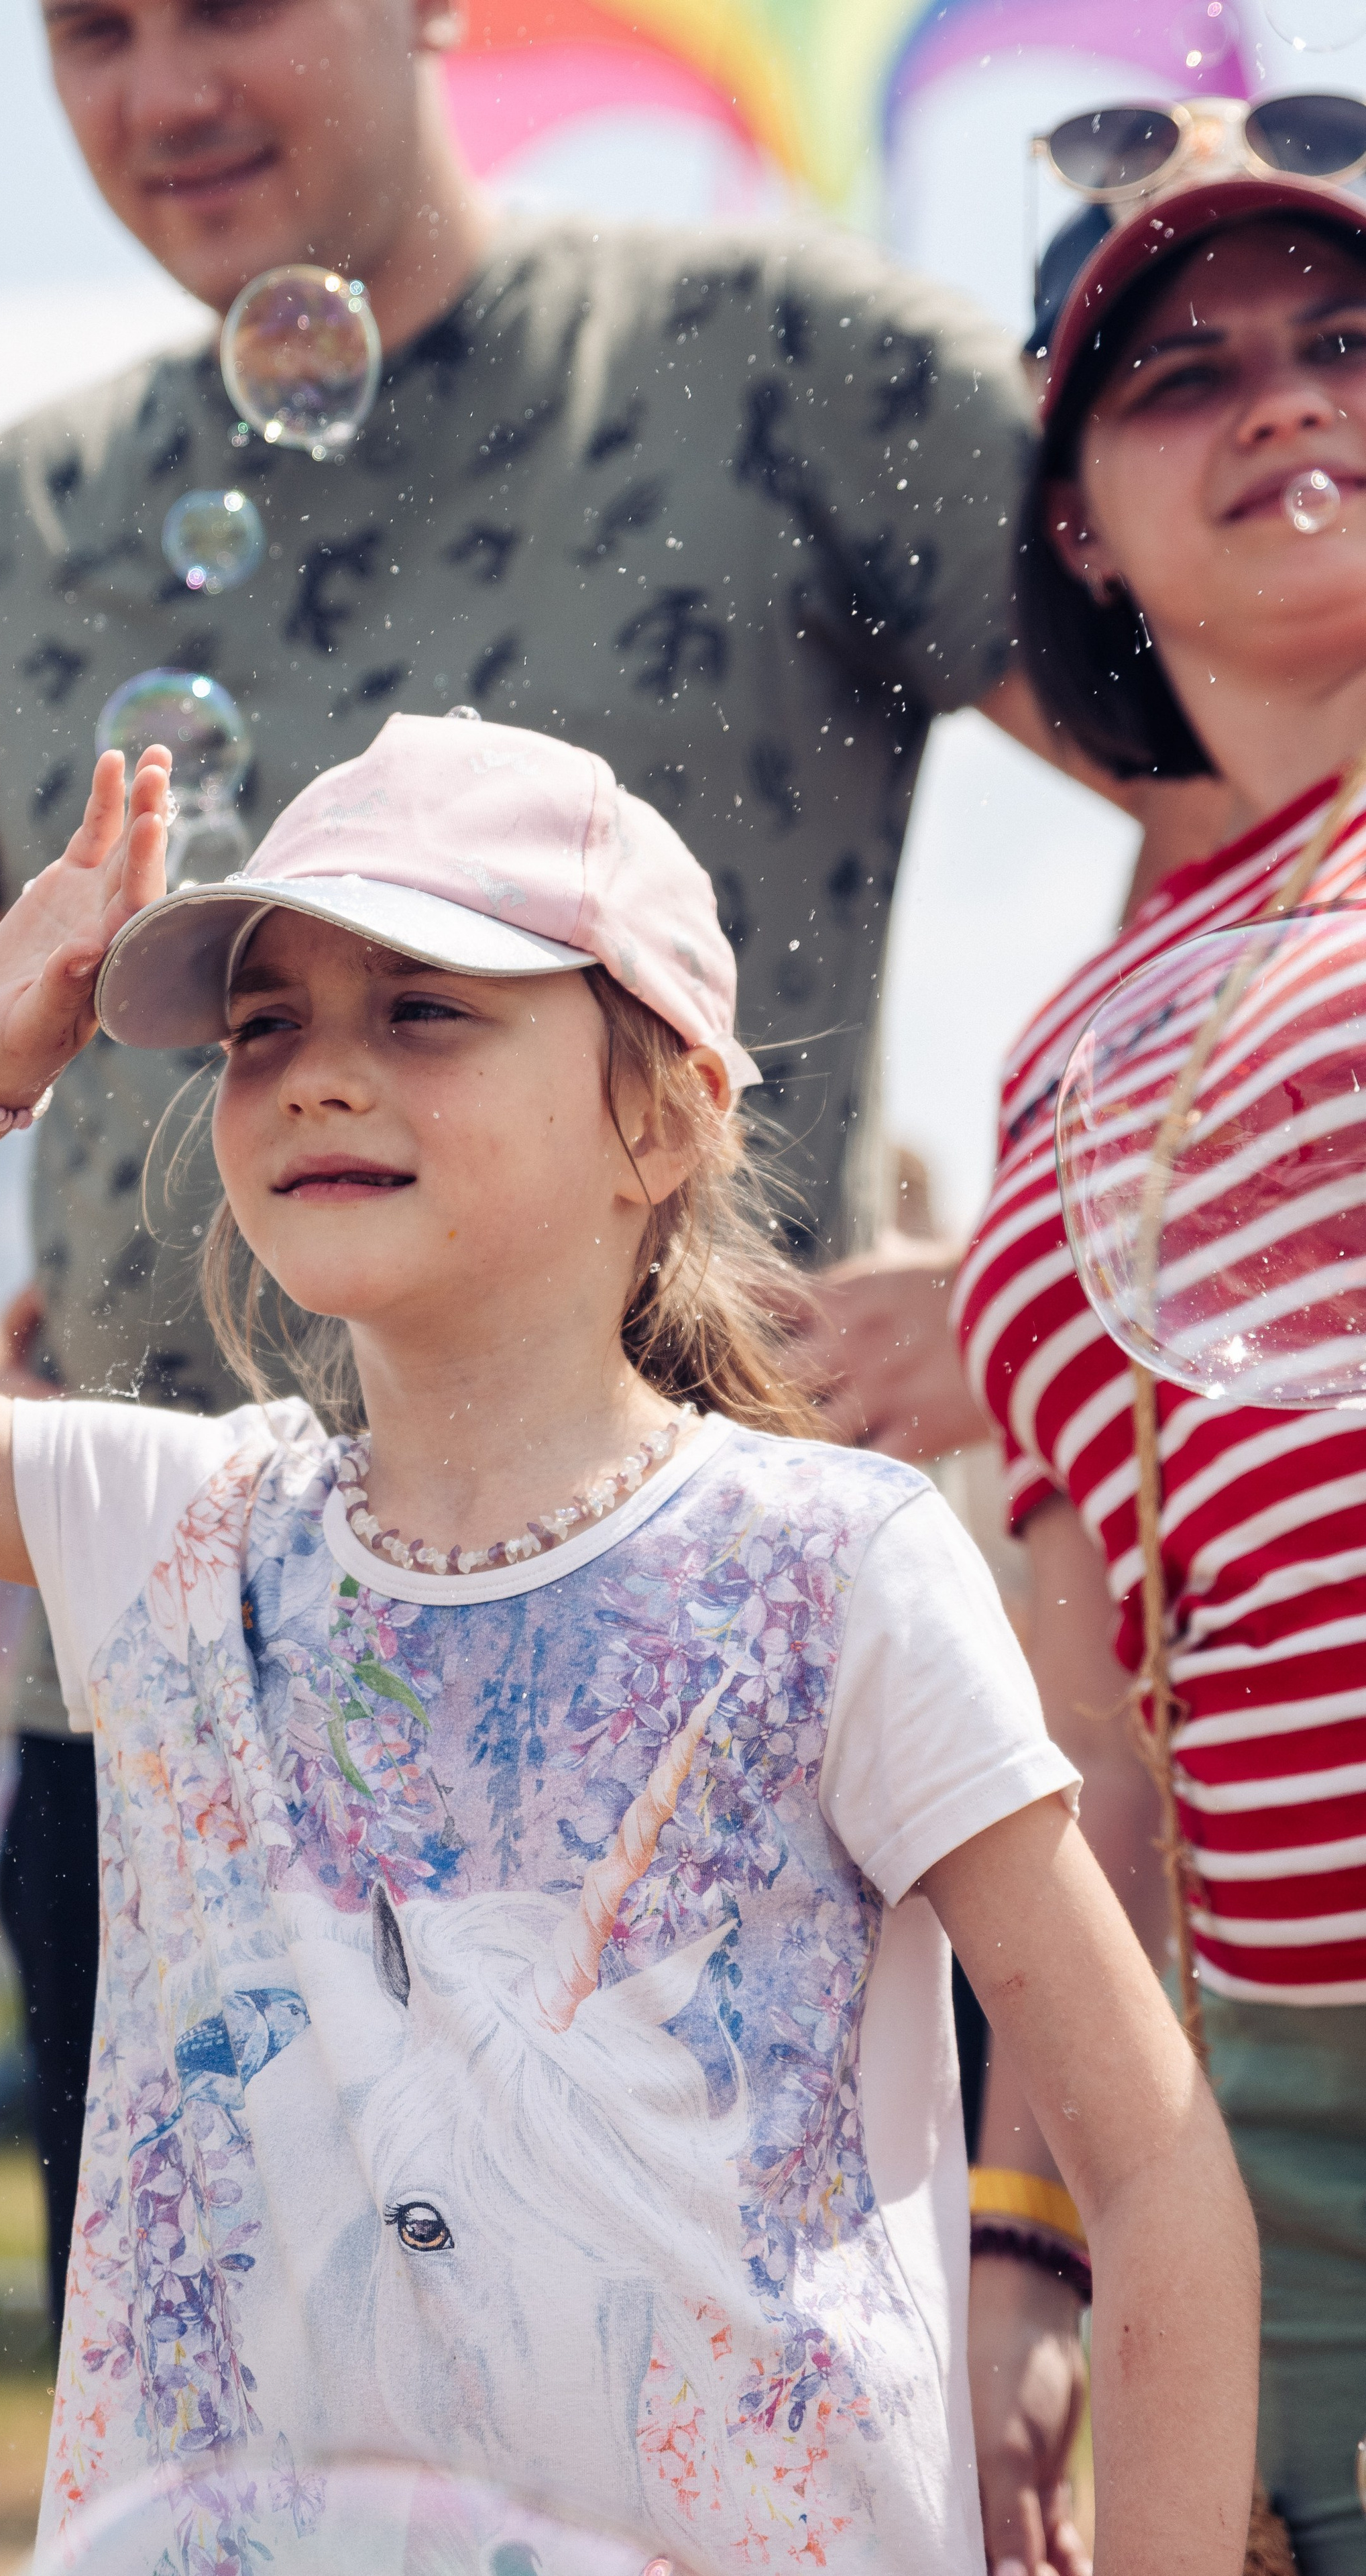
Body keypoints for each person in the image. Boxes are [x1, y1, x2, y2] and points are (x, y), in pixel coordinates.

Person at [0, 0, 1054, 2321]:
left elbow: (1265, 744)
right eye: (92, 30)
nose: (162, 94)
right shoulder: (15, 523)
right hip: (165, 1745)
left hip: (711, 1708)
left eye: (232, 4)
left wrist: (1056, 1270)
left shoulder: (790, 376)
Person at [0, 709, 1255, 2569]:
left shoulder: (831, 1568)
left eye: (425, 1009)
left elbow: (1152, 2163)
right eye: (264, 1029)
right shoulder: (181, 1534)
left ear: (664, 1114)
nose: (320, 1076)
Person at [942, 145, 1366, 2575]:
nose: (1287, 402)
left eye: (1348, 347)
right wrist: (1029, 2233)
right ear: (1079, 529)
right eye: (1186, 375)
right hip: (1263, 2131)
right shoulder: (1069, 1054)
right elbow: (1100, 1728)